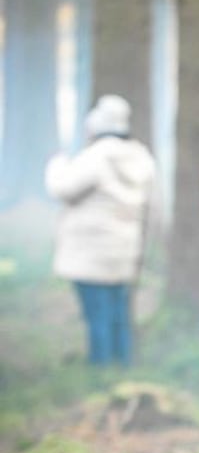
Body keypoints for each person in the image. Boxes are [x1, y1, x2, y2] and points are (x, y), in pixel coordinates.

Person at [45, 95, 156, 367]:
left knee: (97, 314)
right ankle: (123, 364)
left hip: (90, 252)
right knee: (118, 312)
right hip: (125, 248)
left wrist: (55, 167)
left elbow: (64, 189)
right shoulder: (141, 157)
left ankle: (101, 368)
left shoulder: (95, 157)